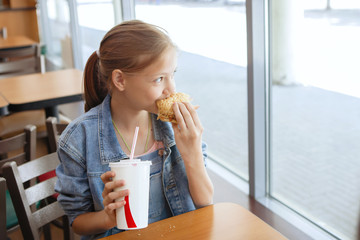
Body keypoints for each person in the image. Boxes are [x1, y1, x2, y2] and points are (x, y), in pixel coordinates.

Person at [55, 20, 214, 239]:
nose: (172, 89)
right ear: (120, 79)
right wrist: (107, 217)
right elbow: (77, 222)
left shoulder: (176, 127)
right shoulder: (78, 139)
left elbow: (205, 201)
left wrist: (192, 153)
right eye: (159, 79)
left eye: (172, 75)